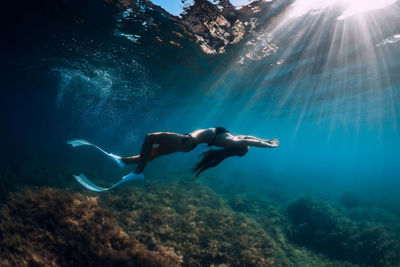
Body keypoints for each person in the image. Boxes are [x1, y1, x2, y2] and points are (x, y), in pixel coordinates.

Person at [67, 127, 279, 191]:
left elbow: (253, 143)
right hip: (186, 144)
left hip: (186, 142)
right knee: (150, 154)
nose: (247, 141)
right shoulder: (238, 138)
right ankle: (124, 161)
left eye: (247, 145)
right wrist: (266, 137)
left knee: (149, 137)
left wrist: (268, 145)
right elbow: (251, 138)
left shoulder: (232, 143)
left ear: (241, 148)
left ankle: (137, 173)